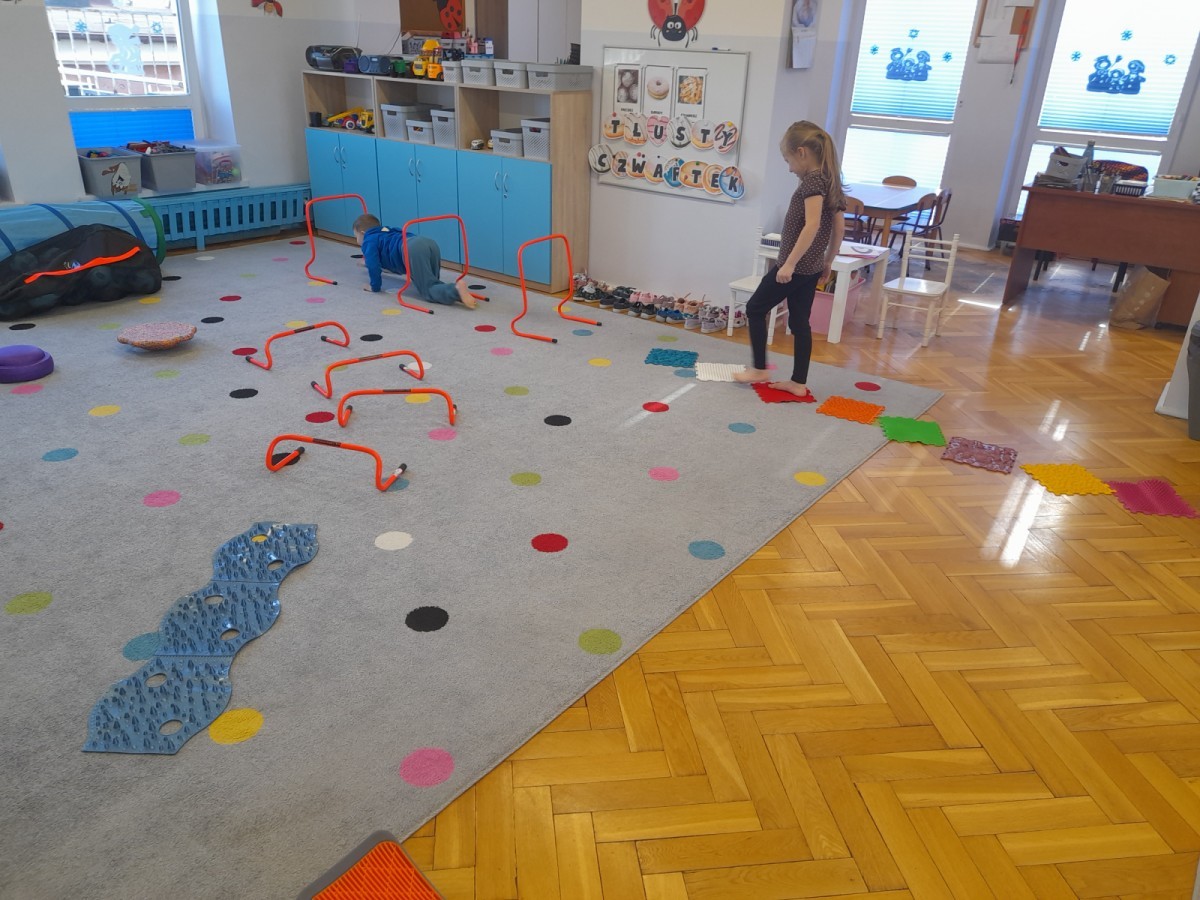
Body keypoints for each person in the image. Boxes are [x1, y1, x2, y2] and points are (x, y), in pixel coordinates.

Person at [733, 121, 845, 398]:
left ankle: (759, 369)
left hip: (797, 267)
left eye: (788, 160)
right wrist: (828, 261)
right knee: (799, 322)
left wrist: (790, 264)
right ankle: (798, 382)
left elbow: (812, 225)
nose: (789, 168)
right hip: (812, 267)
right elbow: (839, 228)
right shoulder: (831, 180)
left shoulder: (813, 182)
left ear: (802, 152)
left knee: (755, 308)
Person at [353, 214, 476, 308]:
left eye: (356, 236)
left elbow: (374, 265)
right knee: (432, 281)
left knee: (428, 290)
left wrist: (374, 286)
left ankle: (455, 289)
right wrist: (367, 262)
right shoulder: (386, 230)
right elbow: (386, 260)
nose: (356, 240)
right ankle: (454, 292)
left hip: (411, 249)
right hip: (428, 243)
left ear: (362, 233)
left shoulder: (368, 239)